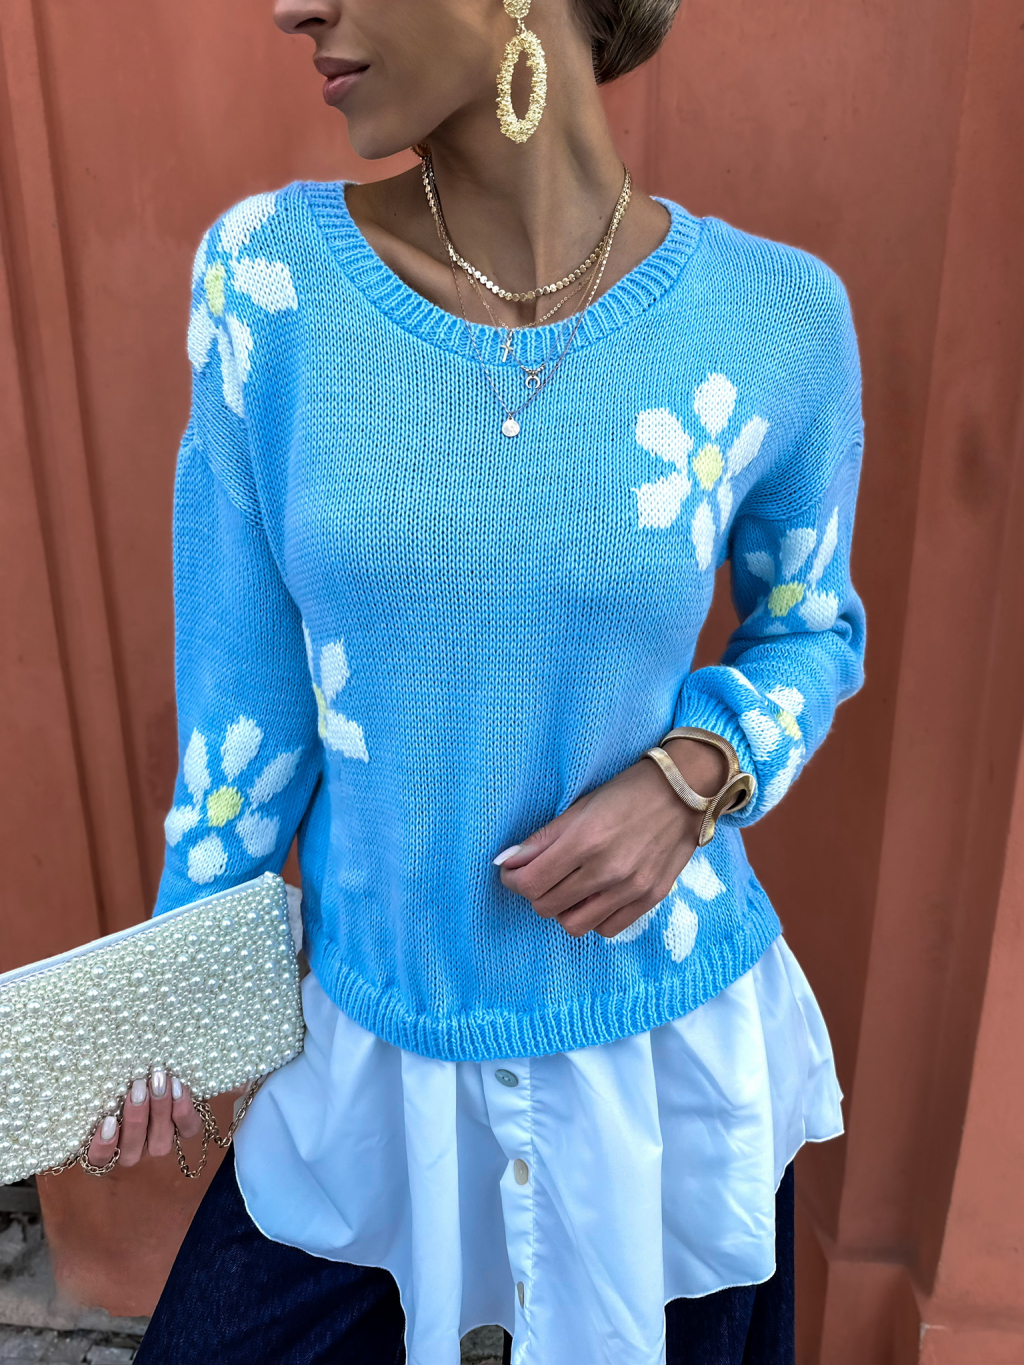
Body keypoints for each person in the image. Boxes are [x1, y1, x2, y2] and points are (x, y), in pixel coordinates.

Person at [92, 0, 865, 1359]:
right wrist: (180, 986)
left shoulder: (778, 319)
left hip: (663, 1060)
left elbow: (812, 629)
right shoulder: (269, 285)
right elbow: (242, 707)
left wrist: (694, 777)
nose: (292, 7)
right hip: (368, 1045)